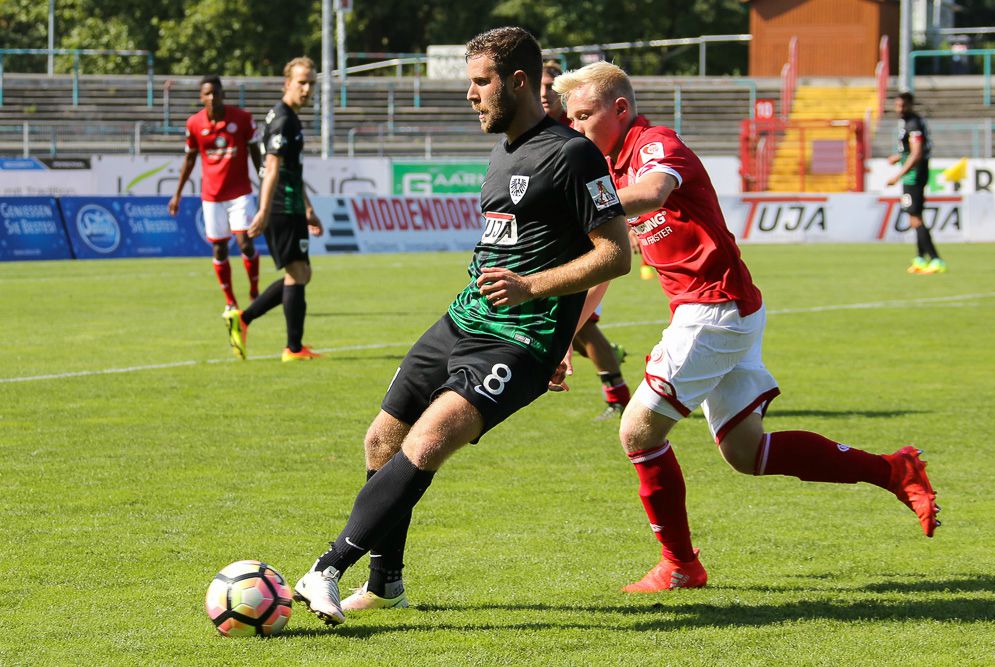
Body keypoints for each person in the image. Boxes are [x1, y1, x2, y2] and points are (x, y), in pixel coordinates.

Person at [555, 61, 940, 592]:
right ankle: (895, 471)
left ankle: (680, 565)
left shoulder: (653, 143)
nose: (575, 128)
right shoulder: (611, 168)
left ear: (619, 109)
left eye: (582, 116)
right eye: (569, 119)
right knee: (746, 453)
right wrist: (563, 342)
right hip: (722, 310)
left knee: (638, 430)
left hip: (714, 309)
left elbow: (655, 192)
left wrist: (575, 204)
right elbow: (608, 266)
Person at [292, 27, 631, 625]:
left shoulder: (574, 153)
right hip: (464, 319)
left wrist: (534, 293)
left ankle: (325, 568)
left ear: (518, 81)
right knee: (381, 439)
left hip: (519, 338)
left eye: (480, 82)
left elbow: (614, 254)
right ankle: (385, 582)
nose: (471, 96)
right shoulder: (501, 150)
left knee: (427, 443)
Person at [542, 58, 632, 421]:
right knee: (575, 326)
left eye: (550, 85)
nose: (545, 93)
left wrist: (614, 217)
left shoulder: (579, 132)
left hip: (589, 237)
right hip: (564, 242)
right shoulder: (545, 132)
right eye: (541, 87)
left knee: (583, 324)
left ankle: (618, 395)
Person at [224, 57, 323, 363]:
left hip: (292, 206)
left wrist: (307, 208)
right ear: (287, 83)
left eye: (311, 84)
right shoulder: (282, 119)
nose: (307, 89)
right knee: (297, 272)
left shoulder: (289, 118)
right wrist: (264, 211)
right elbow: (272, 167)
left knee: (301, 273)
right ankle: (291, 348)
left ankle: (246, 320)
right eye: (301, 82)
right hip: (280, 208)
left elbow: (292, 170)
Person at [168, 75, 261, 313]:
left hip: (240, 193)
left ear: (223, 95)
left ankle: (254, 290)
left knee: (244, 243)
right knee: (219, 248)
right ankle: (230, 301)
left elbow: (255, 153)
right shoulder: (194, 124)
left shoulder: (242, 119)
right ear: (201, 97)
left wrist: (264, 180)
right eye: (207, 94)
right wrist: (177, 194)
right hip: (212, 196)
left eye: (215, 93)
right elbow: (189, 159)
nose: (212, 98)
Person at [887, 92, 946, 274]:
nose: (899, 109)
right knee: (915, 217)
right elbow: (912, 150)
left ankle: (936, 260)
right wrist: (899, 157)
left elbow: (917, 153)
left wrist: (898, 175)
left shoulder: (912, 124)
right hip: (914, 175)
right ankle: (920, 259)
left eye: (902, 106)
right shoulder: (911, 122)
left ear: (910, 105)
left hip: (913, 177)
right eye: (897, 105)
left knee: (915, 218)